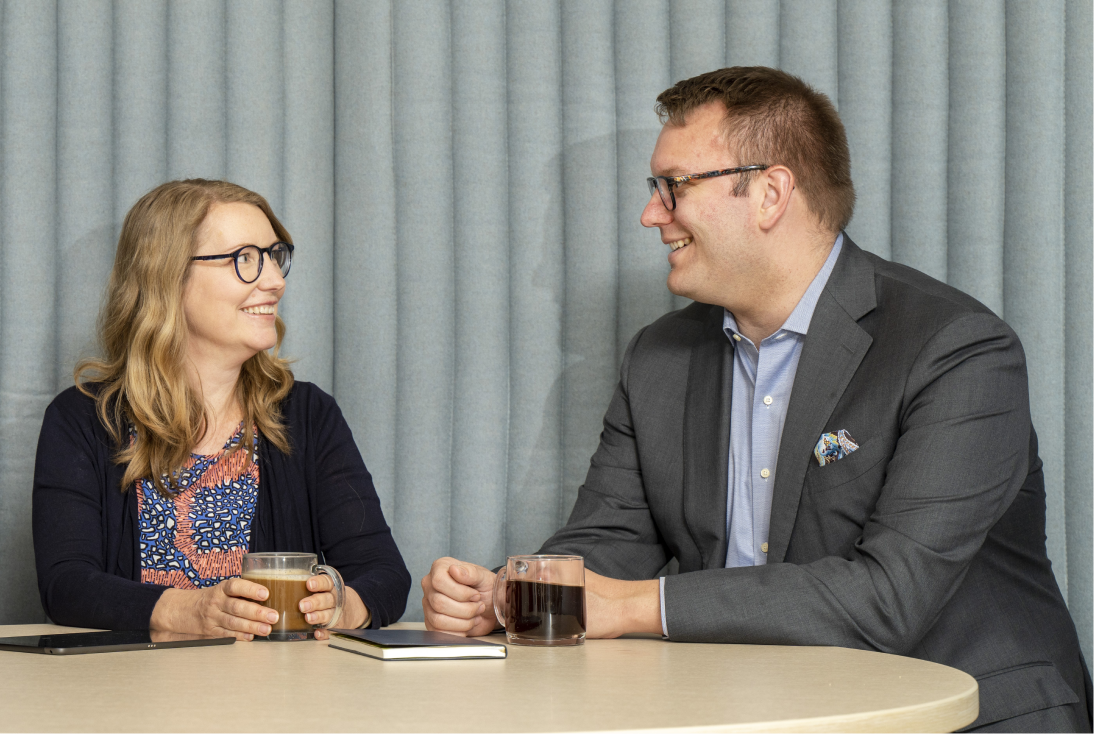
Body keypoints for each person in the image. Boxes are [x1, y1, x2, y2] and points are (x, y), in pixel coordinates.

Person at [422, 67, 1093, 731]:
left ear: (770, 193)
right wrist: (516, 595)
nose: (651, 213)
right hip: (757, 711)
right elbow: (611, 541)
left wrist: (629, 607)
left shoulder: (956, 349)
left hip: (963, 715)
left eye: (673, 187)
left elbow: (888, 596)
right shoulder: (659, 357)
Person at [33, 179, 410, 640]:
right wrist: (189, 611)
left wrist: (340, 604)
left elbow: (385, 575)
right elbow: (66, 586)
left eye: (274, 256)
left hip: (280, 703)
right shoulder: (83, 420)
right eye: (244, 259)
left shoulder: (309, 415)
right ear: (167, 276)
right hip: (129, 701)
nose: (275, 280)